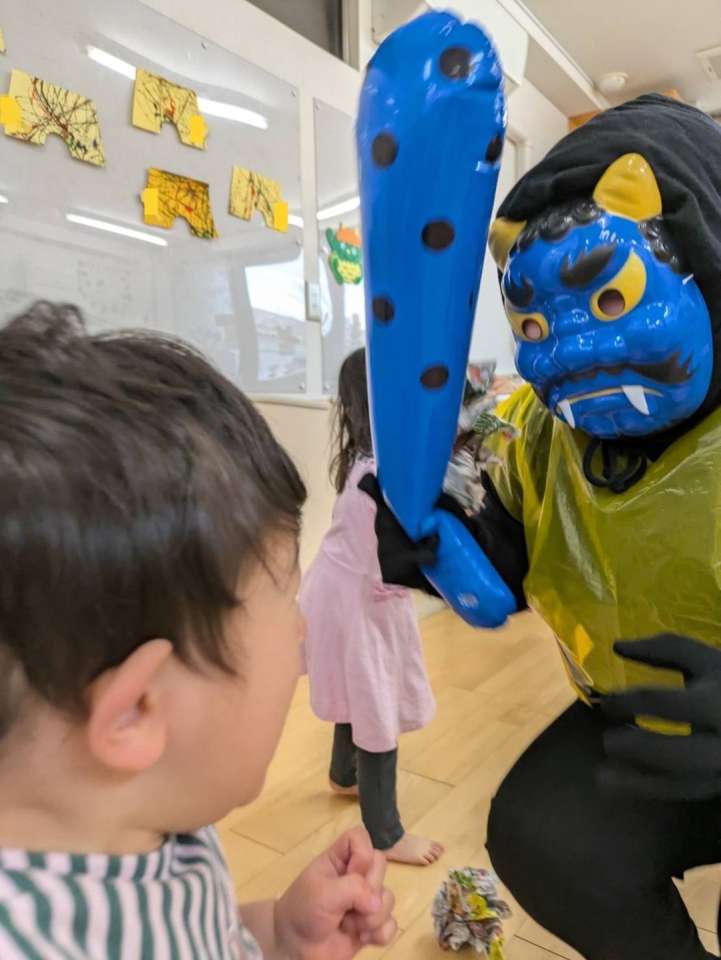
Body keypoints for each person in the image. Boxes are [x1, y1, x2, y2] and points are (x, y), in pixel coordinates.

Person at [362, 94, 721, 959]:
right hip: (633, 719)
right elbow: (512, 550)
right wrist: (440, 538)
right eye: (533, 322)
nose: (567, 351)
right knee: (545, 838)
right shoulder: (539, 432)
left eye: (609, 298)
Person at [0, 301, 397, 959]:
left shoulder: (151, 812)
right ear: (137, 711)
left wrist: (278, 932)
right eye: (289, 607)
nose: (301, 632)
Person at [300, 348, 442, 867]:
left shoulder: (366, 462)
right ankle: (385, 834)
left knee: (354, 689)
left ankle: (344, 775)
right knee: (375, 706)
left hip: (344, 594)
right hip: (357, 602)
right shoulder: (378, 476)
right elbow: (399, 556)